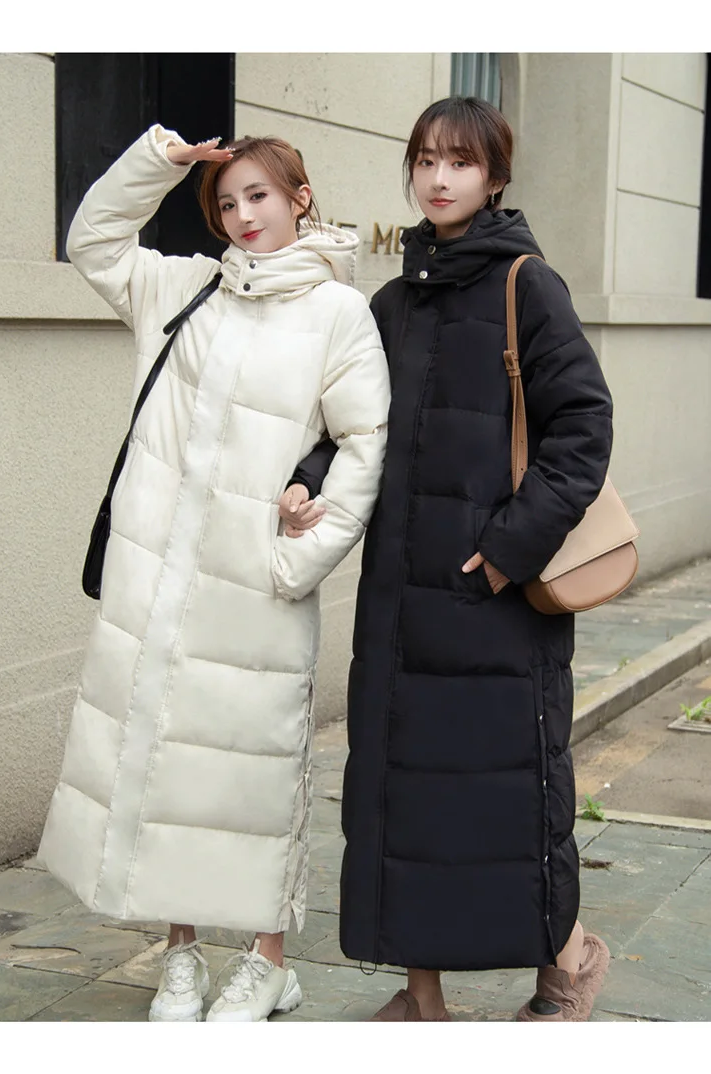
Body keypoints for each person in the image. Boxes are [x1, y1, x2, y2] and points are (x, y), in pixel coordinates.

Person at [37, 123, 390, 1023]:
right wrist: (159, 161)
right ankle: (182, 954)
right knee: (164, 770)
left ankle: (268, 962)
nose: (242, 215)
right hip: (157, 583)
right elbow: (93, 242)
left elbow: (362, 444)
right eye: (227, 203)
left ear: (300, 198)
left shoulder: (338, 313)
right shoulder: (182, 289)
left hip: (256, 588)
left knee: (254, 778)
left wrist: (295, 559)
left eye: (259, 196)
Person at [280, 96, 613, 1022]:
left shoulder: (527, 286)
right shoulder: (393, 303)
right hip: (399, 604)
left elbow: (583, 428)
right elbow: (357, 427)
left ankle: (568, 964)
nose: (437, 178)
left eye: (459, 162)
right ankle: (422, 997)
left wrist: (508, 548)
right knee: (404, 804)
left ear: (494, 177)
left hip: (496, 602)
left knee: (509, 799)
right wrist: (309, 478)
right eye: (425, 160)